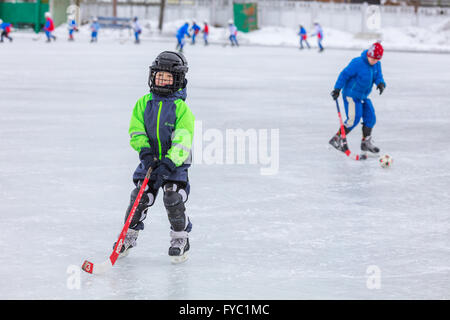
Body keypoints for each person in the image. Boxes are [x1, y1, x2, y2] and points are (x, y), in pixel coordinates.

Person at [118, 51, 195, 263]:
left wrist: (170, 162)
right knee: (140, 196)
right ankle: (128, 237)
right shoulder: (143, 103)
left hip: (175, 164)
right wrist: (145, 153)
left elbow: (183, 139)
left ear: (177, 80)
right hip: (150, 161)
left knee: (172, 197)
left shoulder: (181, 109)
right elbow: (137, 131)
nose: (161, 79)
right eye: (159, 75)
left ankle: (180, 238)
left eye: (167, 77)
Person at [329, 42, 386, 155]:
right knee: (353, 119)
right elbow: (344, 75)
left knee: (370, 117)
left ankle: (366, 142)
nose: (374, 61)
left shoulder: (376, 64)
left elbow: (378, 76)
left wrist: (380, 83)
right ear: (369, 54)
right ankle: (337, 139)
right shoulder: (357, 62)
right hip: (351, 95)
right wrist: (337, 89)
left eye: (377, 59)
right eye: (373, 58)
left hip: (363, 96)